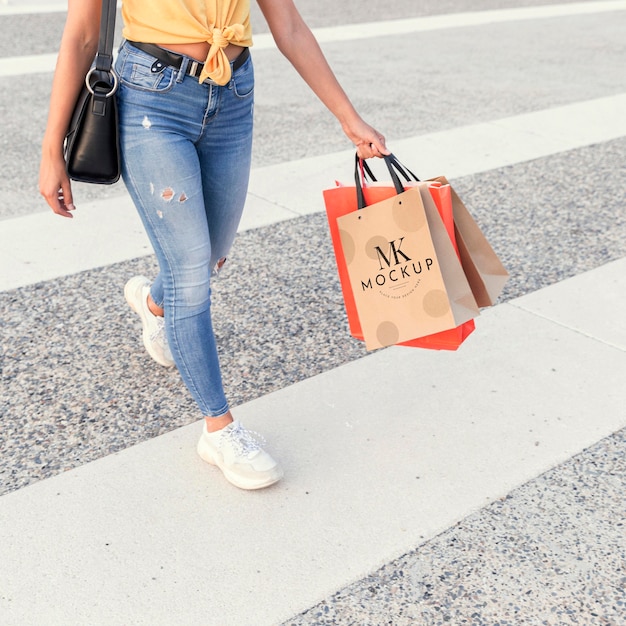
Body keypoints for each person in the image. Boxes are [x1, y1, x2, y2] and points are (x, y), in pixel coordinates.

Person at [39, 0, 389, 490]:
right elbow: (81, 34)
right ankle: (219, 429)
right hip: (151, 101)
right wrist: (52, 146)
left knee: (212, 255)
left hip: (232, 95)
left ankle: (155, 304)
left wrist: (350, 120)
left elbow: (286, 24)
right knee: (190, 268)